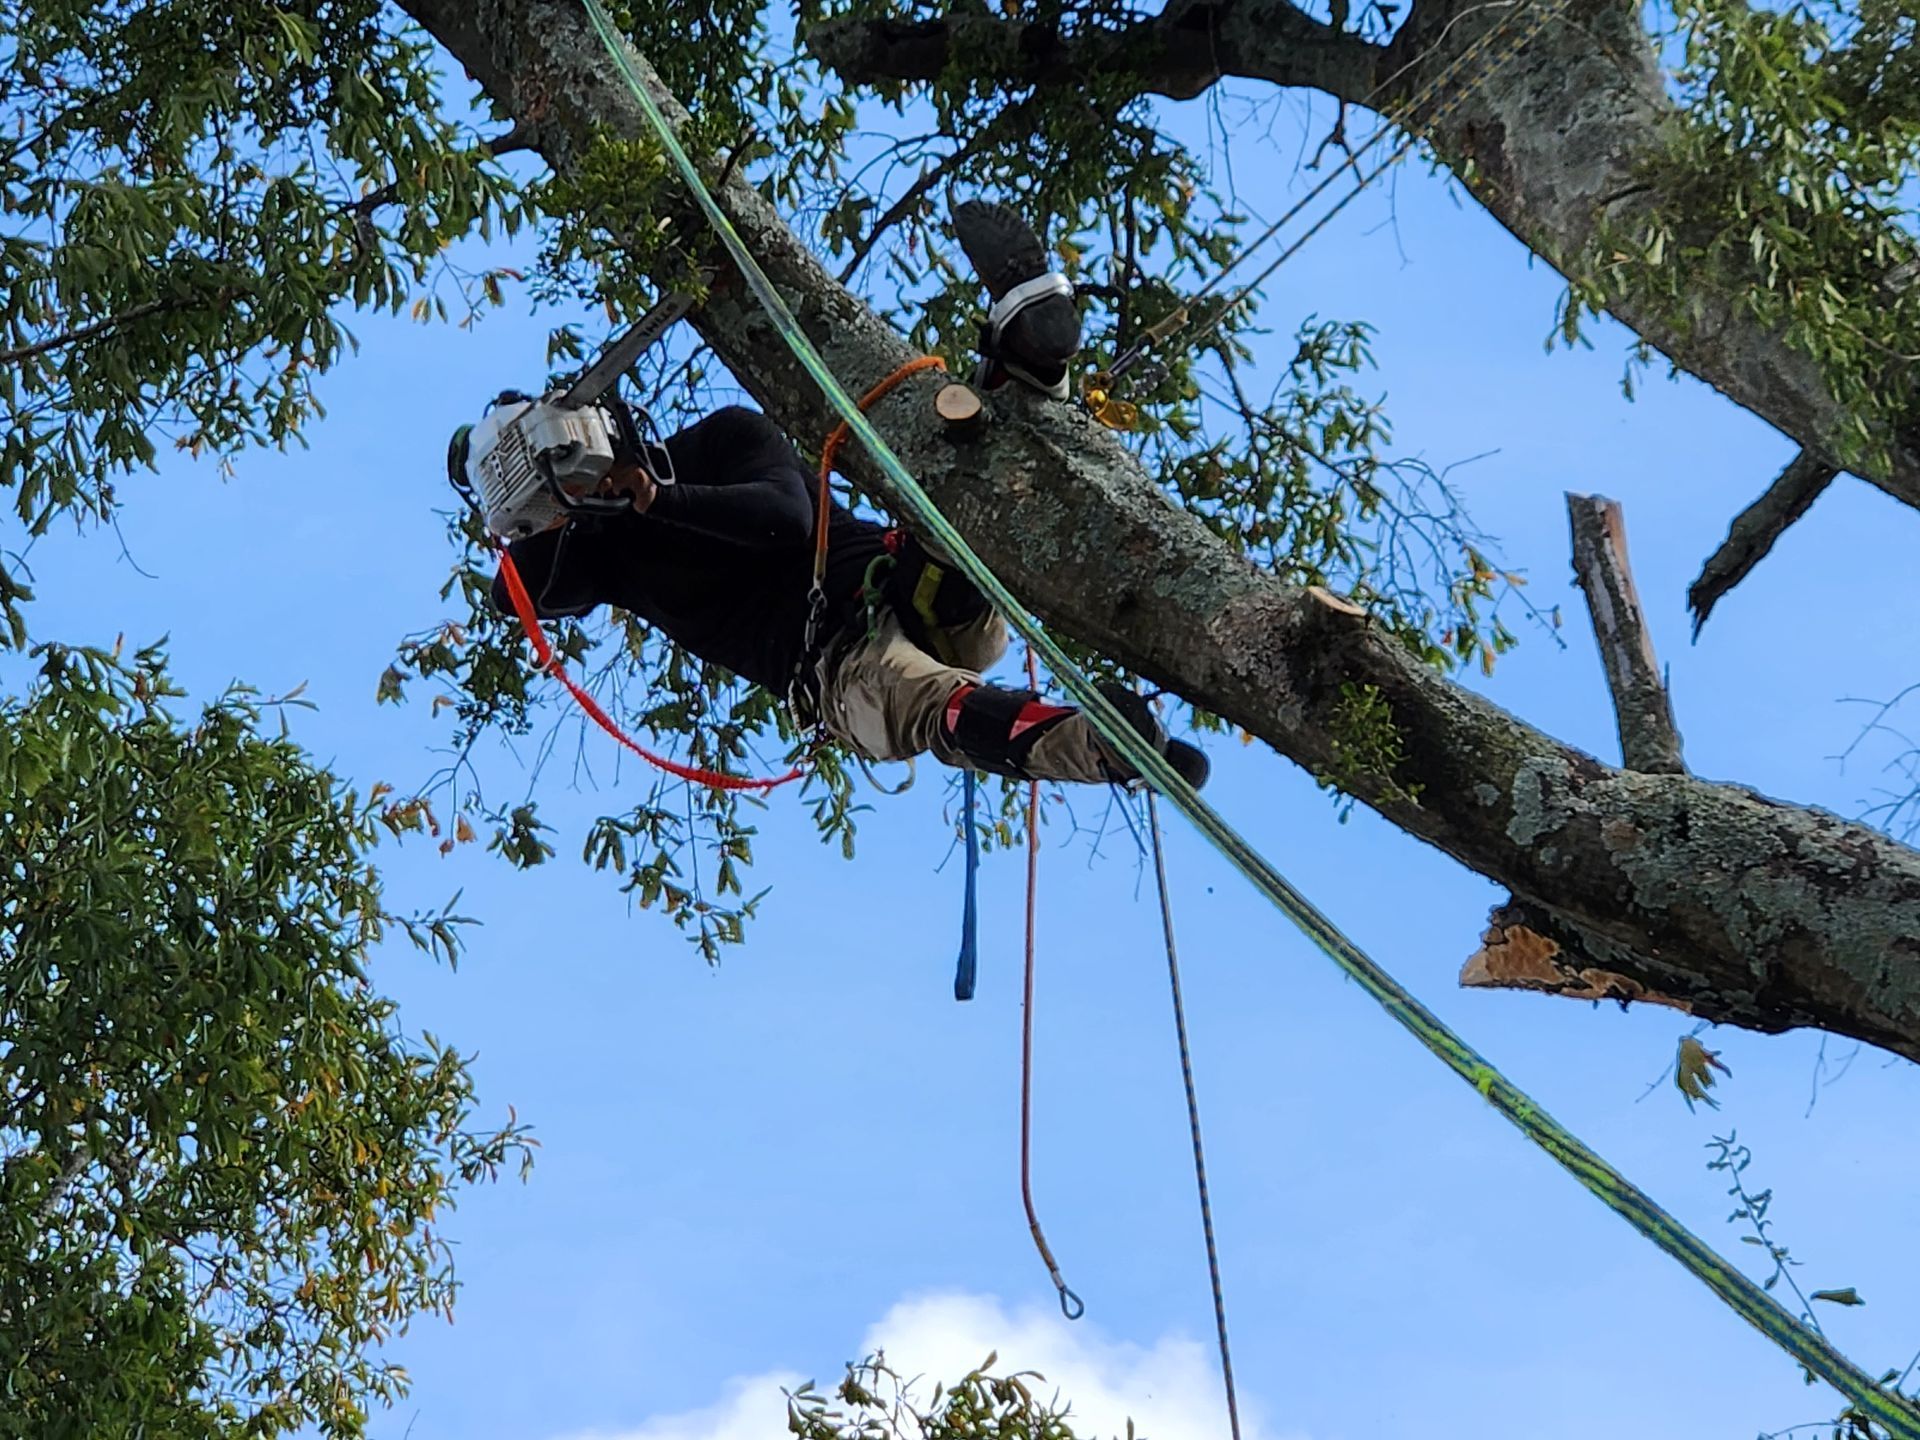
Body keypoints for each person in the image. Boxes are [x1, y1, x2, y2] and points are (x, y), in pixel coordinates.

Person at [480, 202, 1208, 791]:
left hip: (893, 587)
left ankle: (1026, 363)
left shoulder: (727, 439)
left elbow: (787, 522)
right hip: (843, 664)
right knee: (929, 706)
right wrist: (531, 513)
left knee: (961, 507)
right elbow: (514, 594)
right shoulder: (602, 552)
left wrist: (655, 500)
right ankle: (1103, 745)